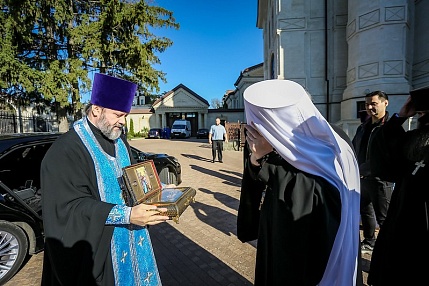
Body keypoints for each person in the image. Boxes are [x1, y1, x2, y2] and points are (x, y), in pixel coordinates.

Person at [41, 73, 170, 285]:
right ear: (96, 110)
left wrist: (161, 188)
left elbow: (131, 179)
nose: (123, 122)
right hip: (100, 252)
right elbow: (69, 207)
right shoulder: (66, 150)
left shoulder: (118, 140)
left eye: (125, 116)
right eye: (118, 115)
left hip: (133, 240)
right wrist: (126, 215)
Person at [237, 79, 361, 285]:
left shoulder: (331, 139)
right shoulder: (263, 139)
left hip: (309, 235)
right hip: (276, 227)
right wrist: (255, 158)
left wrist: (264, 164)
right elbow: (255, 180)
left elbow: (321, 188)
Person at [367, 87, 429, 286]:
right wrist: (400, 117)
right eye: (420, 113)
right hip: (404, 209)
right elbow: (382, 148)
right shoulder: (414, 139)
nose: (422, 118)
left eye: (424, 113)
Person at [351, 90, 394, 254]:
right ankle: (369, 242)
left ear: (385, 103)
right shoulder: (363, 127)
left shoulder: (390, 128)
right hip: (362, 179)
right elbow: (354, 149)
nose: (369, 107)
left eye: (373, 103)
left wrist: (362, 169)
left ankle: (389, 250)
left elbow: (387, 156)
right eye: (367, 104)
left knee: (384, 218)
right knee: (365, 211)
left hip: (380, 180)